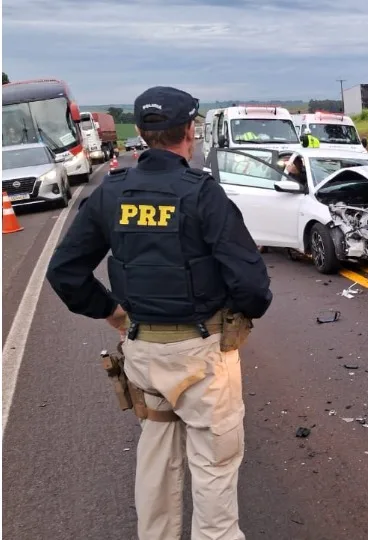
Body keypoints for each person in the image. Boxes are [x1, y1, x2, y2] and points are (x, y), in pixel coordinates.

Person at [45, 86, 273, 540]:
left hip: (143, 356)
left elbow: (65, 272)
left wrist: (113, 312)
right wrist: (237, 318)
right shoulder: (203, 195)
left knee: (155, 459)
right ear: (190, 131)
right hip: (203, 358)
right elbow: (253, 287)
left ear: (143, 135)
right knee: (214, 468)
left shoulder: (111, 194)